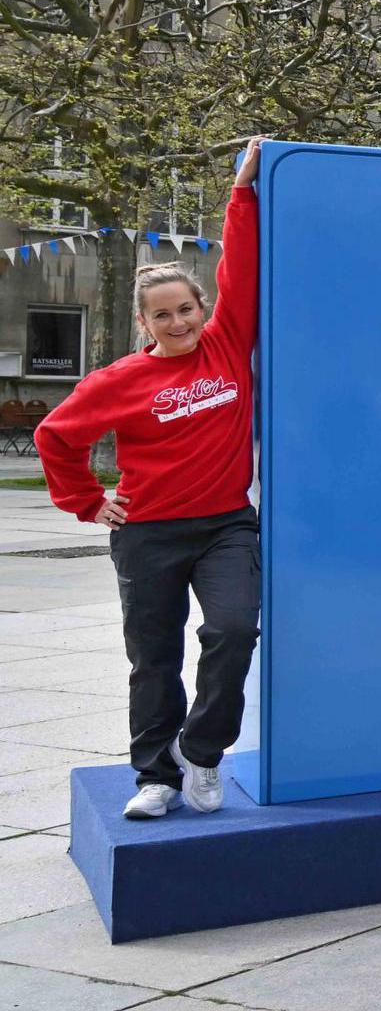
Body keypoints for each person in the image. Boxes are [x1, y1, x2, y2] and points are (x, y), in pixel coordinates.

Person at [37, 137, 266, 821]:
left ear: (202, 307)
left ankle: (202, 753)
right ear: (144, 322)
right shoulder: (121, 380)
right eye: (162, 315)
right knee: (154, 659)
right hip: (148, 536)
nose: (178, 322)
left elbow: (242, 268)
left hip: (227, 525)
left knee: (232, 630)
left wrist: (243, 191)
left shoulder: (226, 343)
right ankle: (156, 777)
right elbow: (56, 436)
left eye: (186, 309)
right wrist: (87, 502)